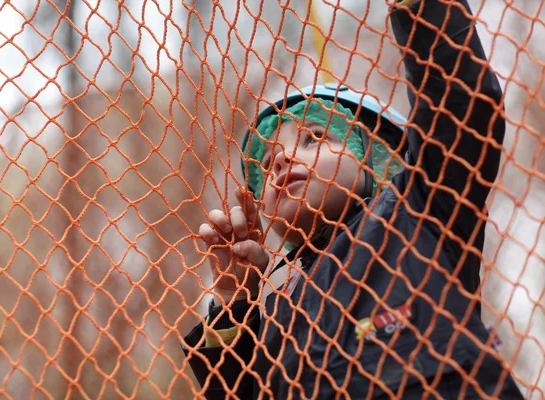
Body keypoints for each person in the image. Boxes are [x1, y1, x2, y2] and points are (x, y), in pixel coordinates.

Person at [182, 0, 524, 398]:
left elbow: (458, 106)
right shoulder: (276, 316)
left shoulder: (418, 211)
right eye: (268, 161)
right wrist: (232, 302)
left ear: (375, 159)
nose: (281, 160)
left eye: (315, 137)